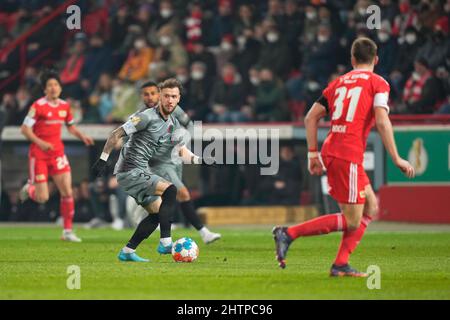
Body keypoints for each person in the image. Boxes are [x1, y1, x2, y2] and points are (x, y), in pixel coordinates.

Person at [272, 37, 416, 276]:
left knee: (371, 206)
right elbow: (381, 120)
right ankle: (288, 233)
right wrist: (397, 157)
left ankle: (340, 264)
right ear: (376, 60)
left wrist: (312, 154)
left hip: (335, 150)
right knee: (351, 220)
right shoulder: (379, 83)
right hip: (346, 154)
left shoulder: (337, 83)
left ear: (352, 59)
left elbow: (310, 118)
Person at [91, 78, 210, 262]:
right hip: (129, 169)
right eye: (166, 96)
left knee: (157, 214)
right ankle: (165, 242)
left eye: (174, 97)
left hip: (140, 170)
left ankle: (128, 251)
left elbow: (180, 150)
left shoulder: (173, 124)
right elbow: (116, 134)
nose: (170, 100)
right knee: (171, 190)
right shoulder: (145, 117)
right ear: (160, 97)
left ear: (178, 99)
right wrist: (102, 159)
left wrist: (202, 159)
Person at [129, 81, 221, 244]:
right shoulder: (141, 115)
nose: (150, 97)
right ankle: (200, 232)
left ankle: (149, 217)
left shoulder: (174, 109)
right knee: (182, 193)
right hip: (159, 163)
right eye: (146, 94)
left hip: (175, 160)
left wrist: (185, 141)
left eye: (153, 93)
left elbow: (191, 126)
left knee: (174, 195)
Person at [19, 69, 94, 242]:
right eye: (49, 85)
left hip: (58, 153)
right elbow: (24, 129)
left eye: (56, 85)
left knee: (67, 192)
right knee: (42, 197)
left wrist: (82, 136)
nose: (53, 88)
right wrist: (41, 143)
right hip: (39, 154)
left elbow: (70, 126)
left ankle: (67, 232)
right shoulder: (37, 106)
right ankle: (29, 188)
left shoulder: (64, 106)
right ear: (44, 89)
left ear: (60, 88)